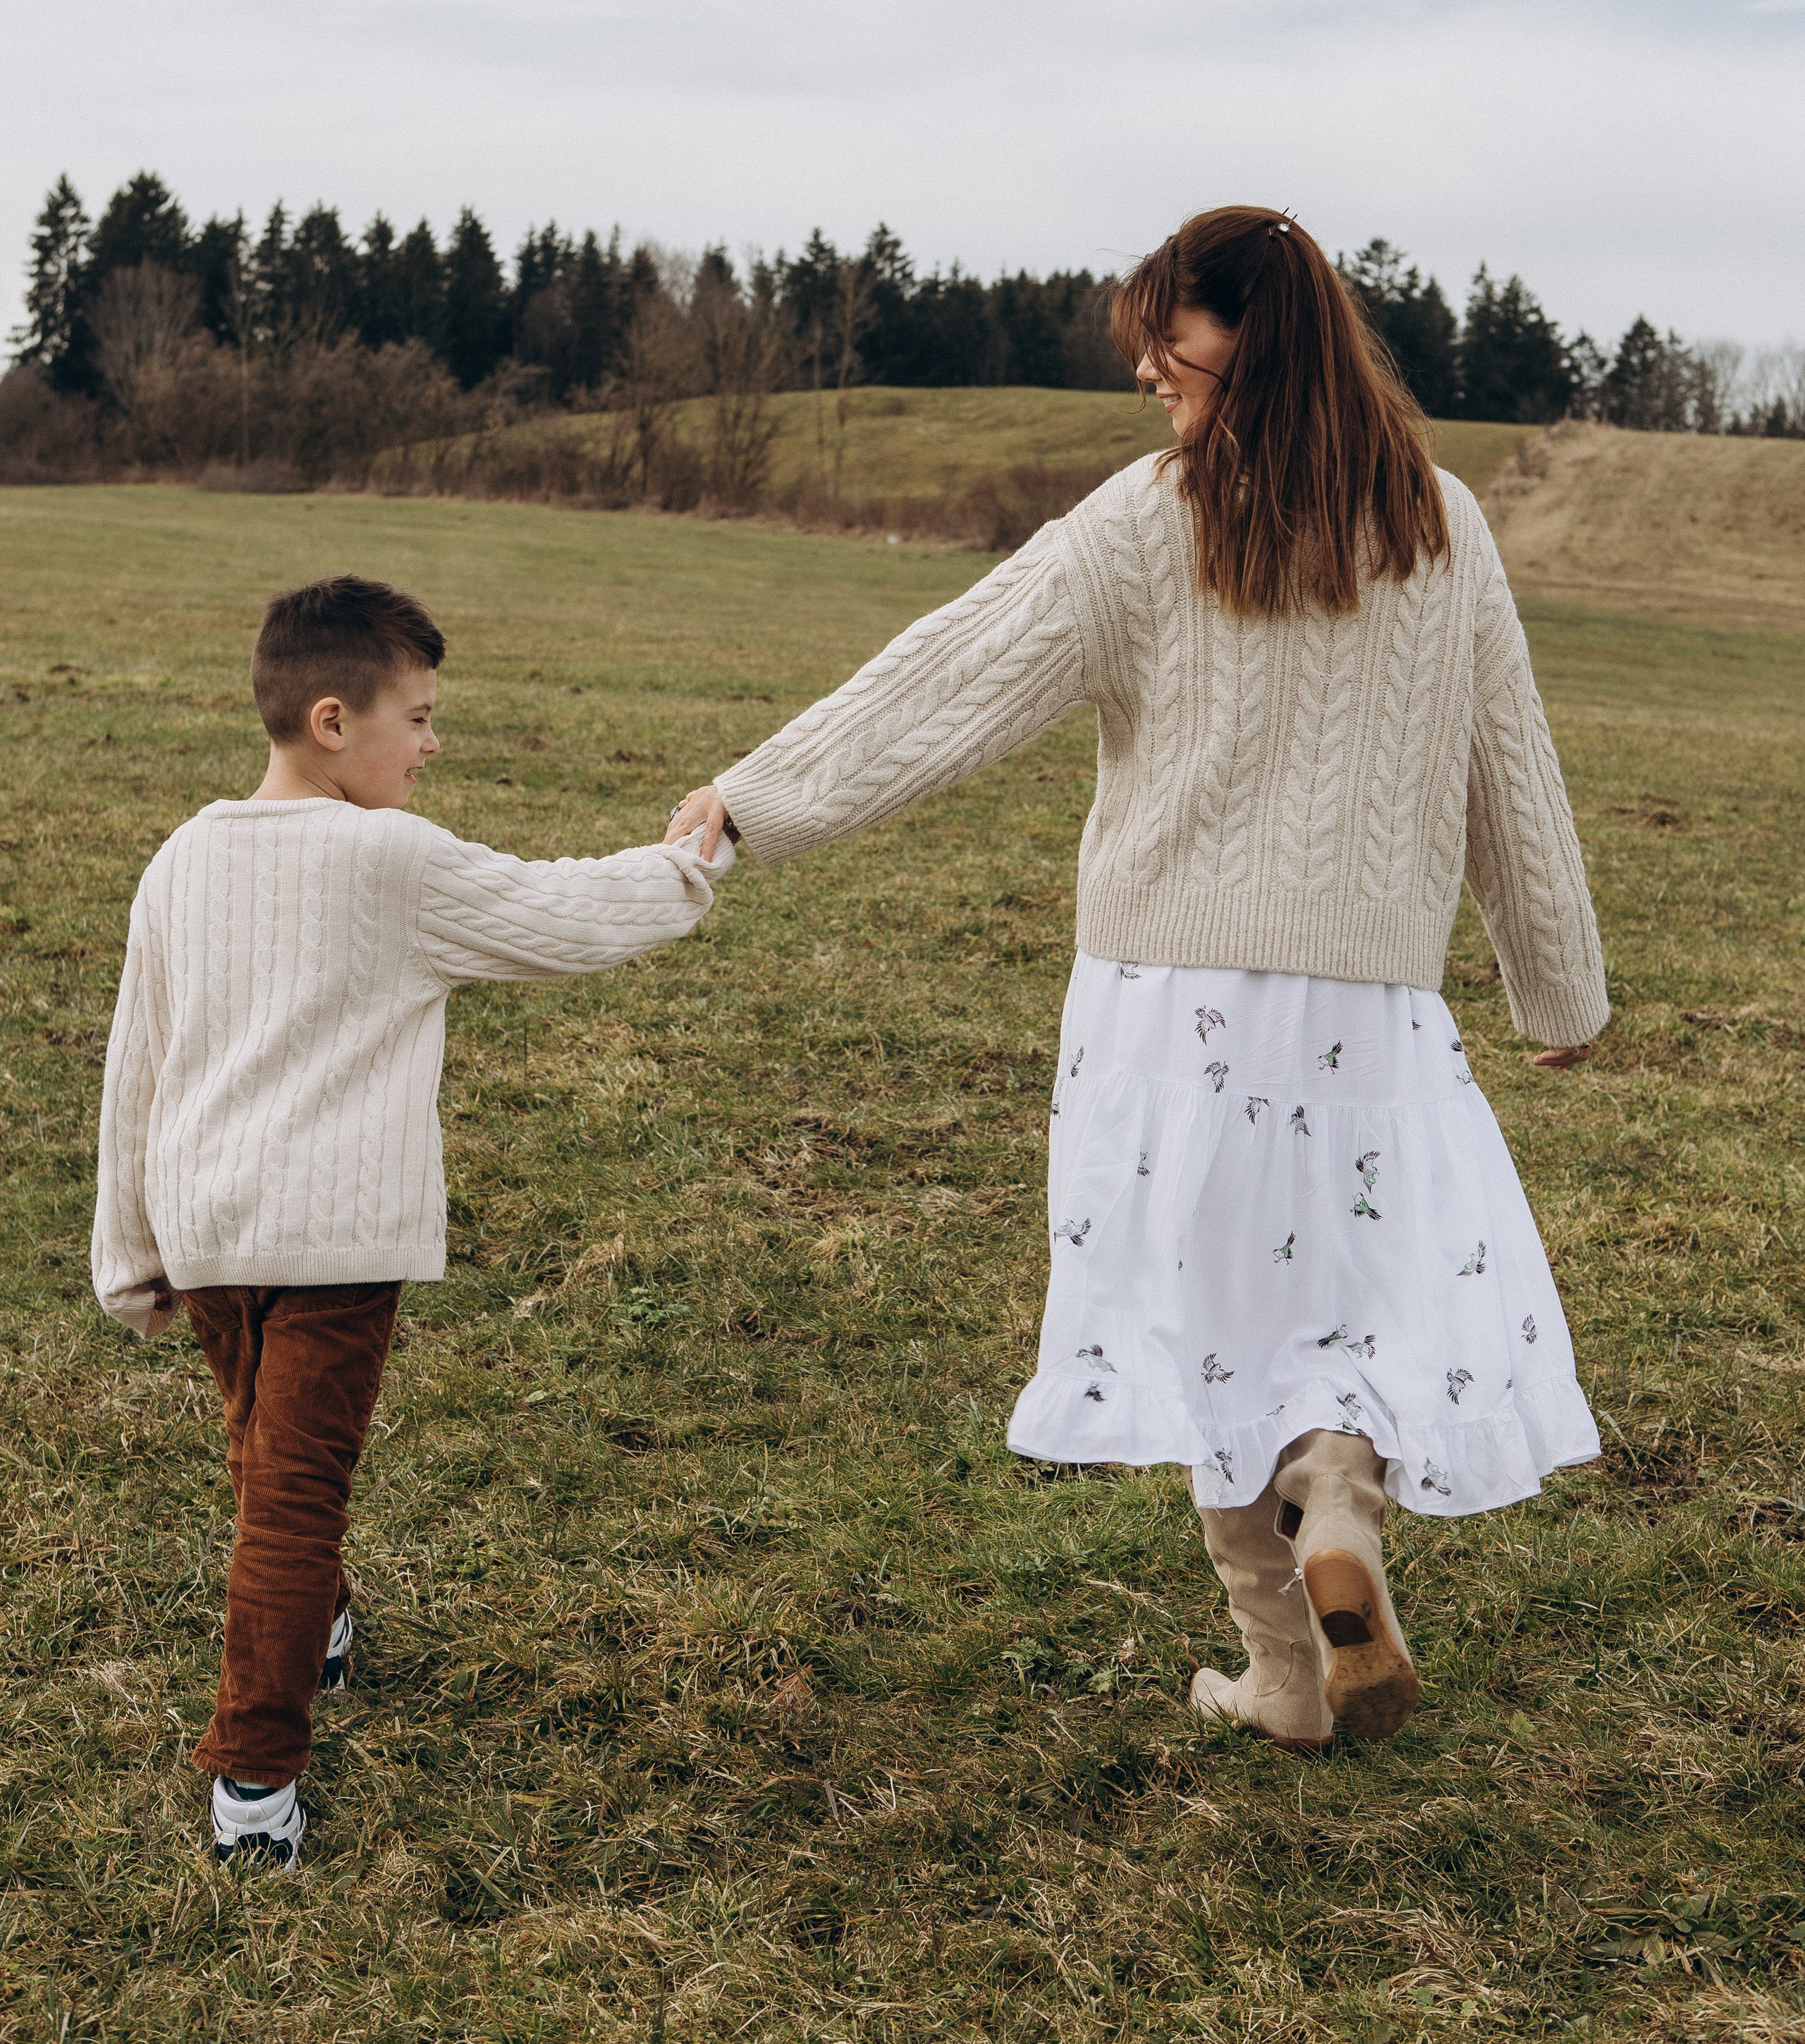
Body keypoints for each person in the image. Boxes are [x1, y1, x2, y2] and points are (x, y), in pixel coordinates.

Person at [668, 206, 1607, 1751]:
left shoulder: (1149, 518)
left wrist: (758, 796)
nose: (1147, 373)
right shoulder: (1438, 521)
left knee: (1208, 1326)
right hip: (1366, 1010)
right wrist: (1557, 990)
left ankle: (1284, 1675)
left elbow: (955, 674)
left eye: (1171, 342)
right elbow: (1511, 767)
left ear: (1255, 336)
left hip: (1169, 1011)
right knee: (1354, 1307)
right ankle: (1339, 1516)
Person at [92, 573, 731, 1868]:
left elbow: (135, 1066)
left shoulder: (182, 854)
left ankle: (317, 1626)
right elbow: (564, 916)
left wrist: (134, 1250)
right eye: (421, 719)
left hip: (207, 1227)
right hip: (330, 1244)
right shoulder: (392, 859)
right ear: (334, 721)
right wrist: (688, 864)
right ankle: (254, 1783)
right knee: (293, 1503)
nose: (434, 745)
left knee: (264, 1459)